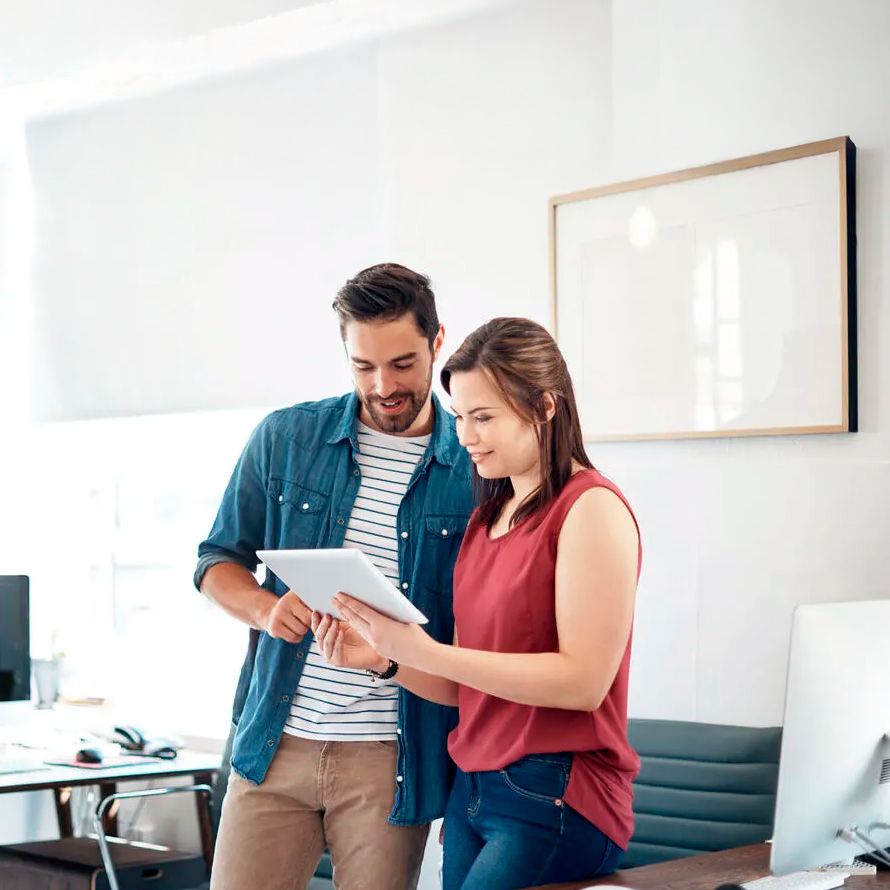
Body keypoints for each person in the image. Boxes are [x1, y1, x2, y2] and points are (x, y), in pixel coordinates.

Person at [312, 316, 642, 890]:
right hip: (474, 789)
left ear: (543, 407)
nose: (465, 435)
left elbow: (583, 682)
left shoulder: (590, 508)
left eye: (483, 417)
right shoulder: (486, 520)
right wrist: (386, 660)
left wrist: (423, 651)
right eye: (461, 417)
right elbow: (469, 684)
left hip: (555, 790)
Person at [195, 264, 474, 890]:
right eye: (363, 366)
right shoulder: (285, 437)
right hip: (273, 744)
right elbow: (216, 560)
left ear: (437, 343)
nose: (384, 386)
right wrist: (266, 611)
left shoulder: (474, 466)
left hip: (390, 758)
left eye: (402, 364)